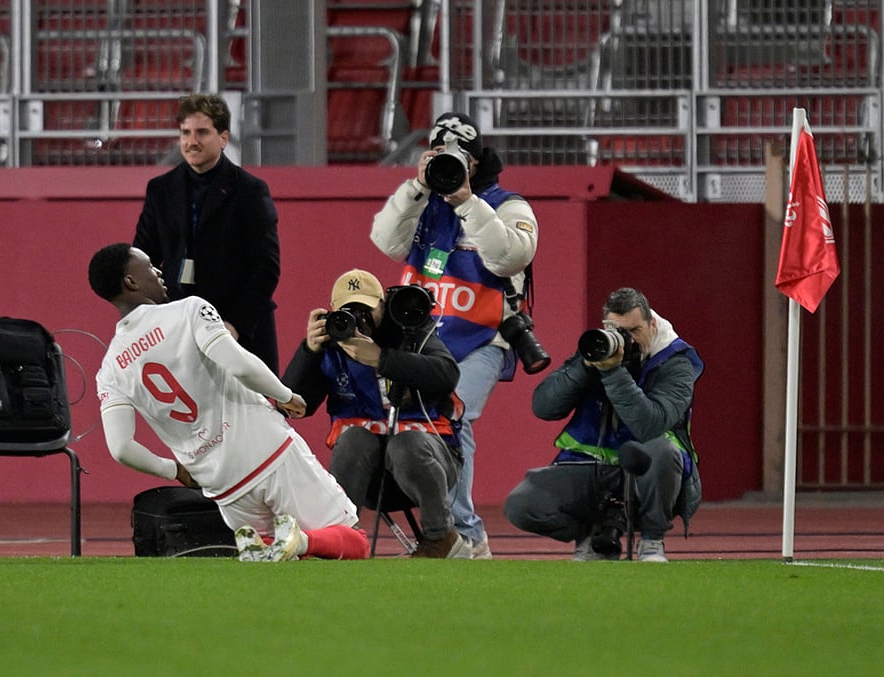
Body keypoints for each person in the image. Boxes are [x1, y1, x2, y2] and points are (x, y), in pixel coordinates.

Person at [89, 243, 369, 562]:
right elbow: (238, 363)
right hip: (268, 452)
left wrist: (174, 470)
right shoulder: (188, 310)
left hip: (222, 484)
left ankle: (263, 542)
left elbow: (121, 447)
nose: (158, 272)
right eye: (150, 266)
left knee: (279, 557)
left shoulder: (111, 367)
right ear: (131, 282)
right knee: (354, 541)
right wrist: (286, 395)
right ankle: (298, 541)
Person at [370, 112, 539, 559]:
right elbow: (386, 242)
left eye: (457, 159)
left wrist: (466, 200)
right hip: (425, 339)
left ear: (476, 163)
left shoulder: (508, 204)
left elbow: (509, 258)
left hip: (485, 338)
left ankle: (465, 533)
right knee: (422, 423)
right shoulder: (423, 202)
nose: (448, 167)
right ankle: (450, 532)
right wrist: (416, 187)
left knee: (454, 414)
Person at [503, 288, 704, 562]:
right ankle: (590, 534)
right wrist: (585, 367)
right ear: (606, 328)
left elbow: (650, 425)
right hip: (593, 467)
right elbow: (544, 407)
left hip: (647, 472)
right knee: (522, 505)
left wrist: (611, 372)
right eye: (619, 332)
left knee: (662, 450)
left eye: (635, 330)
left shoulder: (675, 363)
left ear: (652, 324)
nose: (628, 340)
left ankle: (652, 542)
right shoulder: (597, 351)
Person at [281, 269, 471, 558]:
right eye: (350, 311)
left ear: (383, 305)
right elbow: (293, 405)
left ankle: (440, 537)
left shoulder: (410, 329)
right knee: (353, 439)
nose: (360, 320)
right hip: (369, 472)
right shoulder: (332, 345)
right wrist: (308, 351)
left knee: (406, 444)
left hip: (429, 462)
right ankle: (338, 539)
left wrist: (382, 359)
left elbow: (447, 374)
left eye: (367, 310)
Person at [133, 93, 281, 372]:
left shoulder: (251, 191)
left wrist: (234, 325)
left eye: (202, 132)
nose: (192, 141)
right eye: (185, 133)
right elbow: (143, 260)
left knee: (247, 416)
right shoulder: (160, 189)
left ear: (223, 138)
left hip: (241, 334)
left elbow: (266, 268)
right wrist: (151, 320)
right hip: (179, 333)